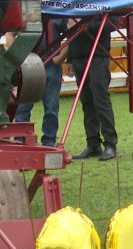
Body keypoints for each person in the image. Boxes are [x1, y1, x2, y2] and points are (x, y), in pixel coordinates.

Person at [68, 16, 118, 161]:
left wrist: (84, 26)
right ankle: (93, 144)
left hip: (97, 57)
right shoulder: (72, 2)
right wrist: (71, 59)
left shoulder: (102, 2)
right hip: (79, 58)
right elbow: (72, 34)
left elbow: (113, 23)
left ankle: (110, 144)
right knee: (87, 102)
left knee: (100, 100)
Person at [14, 18, 67, 147]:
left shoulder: (57, 14)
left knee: (51, 107)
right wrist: (18, 59)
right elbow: (10, 34)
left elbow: (71, 34)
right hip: (29, 65)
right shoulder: (26, 12)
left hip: (51, 65)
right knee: (23, 106)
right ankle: (20, 139)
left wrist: (60, 58)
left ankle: (49, 141)